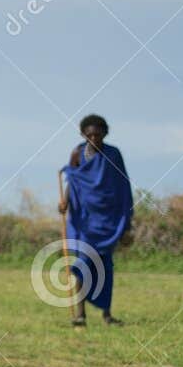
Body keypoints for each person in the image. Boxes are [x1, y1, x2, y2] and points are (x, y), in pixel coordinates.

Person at [59, 114, 131, 326]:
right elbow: (73, 180)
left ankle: (107, 315)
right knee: (83, 264)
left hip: (108, 220)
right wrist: (64, 202)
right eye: (89, 135)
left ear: (105, 134)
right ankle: (80, 315)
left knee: (105, 268)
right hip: (83, 220)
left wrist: (127, 222)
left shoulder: (113, 154)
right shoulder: (77, 153)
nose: (93, 139)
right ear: (83, 134)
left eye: (97, 135)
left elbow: (122, 186)